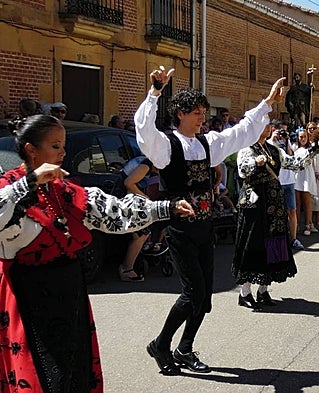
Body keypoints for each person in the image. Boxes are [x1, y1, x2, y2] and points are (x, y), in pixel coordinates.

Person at [0, 115, 193, 393]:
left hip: (70, 294)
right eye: (56, 146)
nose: (63, 153)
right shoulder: (10, 188)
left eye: (63, 146)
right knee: (42, 376)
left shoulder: (64, 190)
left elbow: (113, 212)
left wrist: (166, 208)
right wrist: (29, 181)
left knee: (73, 372)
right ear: (31, 149)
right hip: (28, 297)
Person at [134, 65, 285, 376]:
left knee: (203, 298)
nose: (203, 118)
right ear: (180, 114)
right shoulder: (165, 146)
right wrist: (155, 93)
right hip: (179, 230)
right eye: (197, 113)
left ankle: (184, 348)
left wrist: (267, 102)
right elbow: (144, 131)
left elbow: (241, 132)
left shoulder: (207, 144)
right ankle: (162, 344)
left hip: (205, 227)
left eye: (203, 112)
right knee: (193, 293)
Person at [233, 122, 319, 309]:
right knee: (253, 244)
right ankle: (245, 292)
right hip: (254, 204)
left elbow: (296, 164)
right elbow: (242, 171)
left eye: (267, 126)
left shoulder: (274, 150)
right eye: (262, 126)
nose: (266, 129)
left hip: (274, 202)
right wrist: (255, 162)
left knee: (274, 242)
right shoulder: (246, 148)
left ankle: (263, 290)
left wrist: (316, 148)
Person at [268, 120, 304, 250]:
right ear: (273, 129)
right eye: (281, 130)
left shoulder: (287, 143)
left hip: (289, 181)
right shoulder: (269, 144)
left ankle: (293, 239)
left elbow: (291, 157)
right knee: (276, 212)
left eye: (285, 131)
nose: (283, 133)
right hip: (277, 181)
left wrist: (287, 141)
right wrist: (274, 139)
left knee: (292, 210)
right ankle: (276, 240)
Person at [118, 155, 155, 282]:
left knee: (141, 234)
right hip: (123, 201)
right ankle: (127, 270)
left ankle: (129, 267)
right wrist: (144, 197)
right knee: (140, 235)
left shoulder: (146, 162)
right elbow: (128, 183)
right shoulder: (147, 164)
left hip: (126, 200)